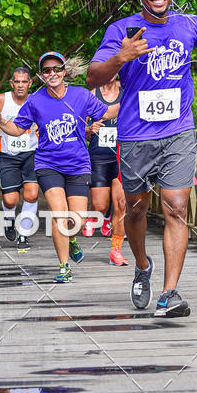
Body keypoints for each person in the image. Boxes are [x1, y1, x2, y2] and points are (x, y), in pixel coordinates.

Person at [87, 0, 197, 317]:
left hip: (178, 131)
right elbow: (94, 77)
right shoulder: (121, 29)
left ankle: (170, 292)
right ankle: (142, 266)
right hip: (135, 135)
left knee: (177, 207)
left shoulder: (188, 25)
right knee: (136, 208)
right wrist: (120, 57)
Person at [0, 52, 118, 283]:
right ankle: (64, 266)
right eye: (46, 70)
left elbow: (107, 112)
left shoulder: (80, 95)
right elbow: (16, 129)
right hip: (47, 164)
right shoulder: (35, 100)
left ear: (64, 71)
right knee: (59, 214)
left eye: (56, 68)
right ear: (42, 76)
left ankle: (72, 240)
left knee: (79, 220)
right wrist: (1, 121)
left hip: (78, 164)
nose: (52, 73)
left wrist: (135, 99)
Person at [0, 66, 39, 252]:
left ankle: (23, 233)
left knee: (31, 194)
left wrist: (41, 127)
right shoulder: (1, 99)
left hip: (33, 152)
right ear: (12, 83)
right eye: (17, 81)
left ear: (30, 83)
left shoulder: (37, 100)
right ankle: (9, 219)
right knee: (10, 200)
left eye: (25, 81)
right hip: (8, 155)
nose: (21, 85)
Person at [84, 74, 128, 266]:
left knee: (121, 203)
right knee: (100, 205)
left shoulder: (126, 93)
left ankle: (116, 251)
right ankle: (102, 216)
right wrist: (89, 129)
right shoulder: (92, 94)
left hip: (122, 154)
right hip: (99, 155)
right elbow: (80, 127)